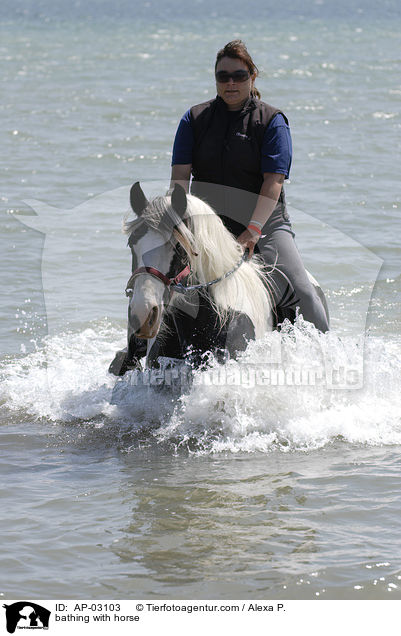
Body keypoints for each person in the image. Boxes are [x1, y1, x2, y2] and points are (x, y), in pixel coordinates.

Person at [170, 39, 329, 332]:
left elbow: (274, 181)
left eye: (239, 76)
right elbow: (179, 179)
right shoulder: (193, 119)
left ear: (252, 76)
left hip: (265, 225)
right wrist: (178, 224)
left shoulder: (271, 121)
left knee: (303, 291)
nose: (230, 83)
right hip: (208, 226)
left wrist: (253, 230)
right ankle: (136, 354)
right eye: (223, 76)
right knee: (157, 280)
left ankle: (331, 354)